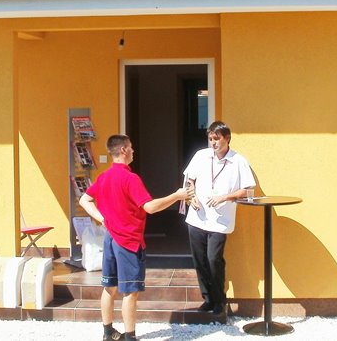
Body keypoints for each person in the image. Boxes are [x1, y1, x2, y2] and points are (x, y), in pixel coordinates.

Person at [79, 134, 193, 341]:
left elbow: (84, 200)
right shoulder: (131, 179)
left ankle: (107, 333)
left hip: (111, 238)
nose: (133, 150)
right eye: (131, 147)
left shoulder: (103, 177)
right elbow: (150, 207)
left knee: (109, 287)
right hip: (129, 242)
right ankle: (130, 337)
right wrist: (177, 196)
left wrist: (102, 218)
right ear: (123, 150)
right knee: (130, 292)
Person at [183, 120, 255, 316]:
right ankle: (208, 299)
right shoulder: (201, 156)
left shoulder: (238, 161)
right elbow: (189, 179)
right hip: (197, 217)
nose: (213, 143)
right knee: (200, 260)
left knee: (213, 259)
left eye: (216, 139)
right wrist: (191, 196)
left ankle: (220, 300)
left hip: (221, 220)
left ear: (227, 138)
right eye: (210, 139)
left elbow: (248, 190)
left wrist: (225, 197)